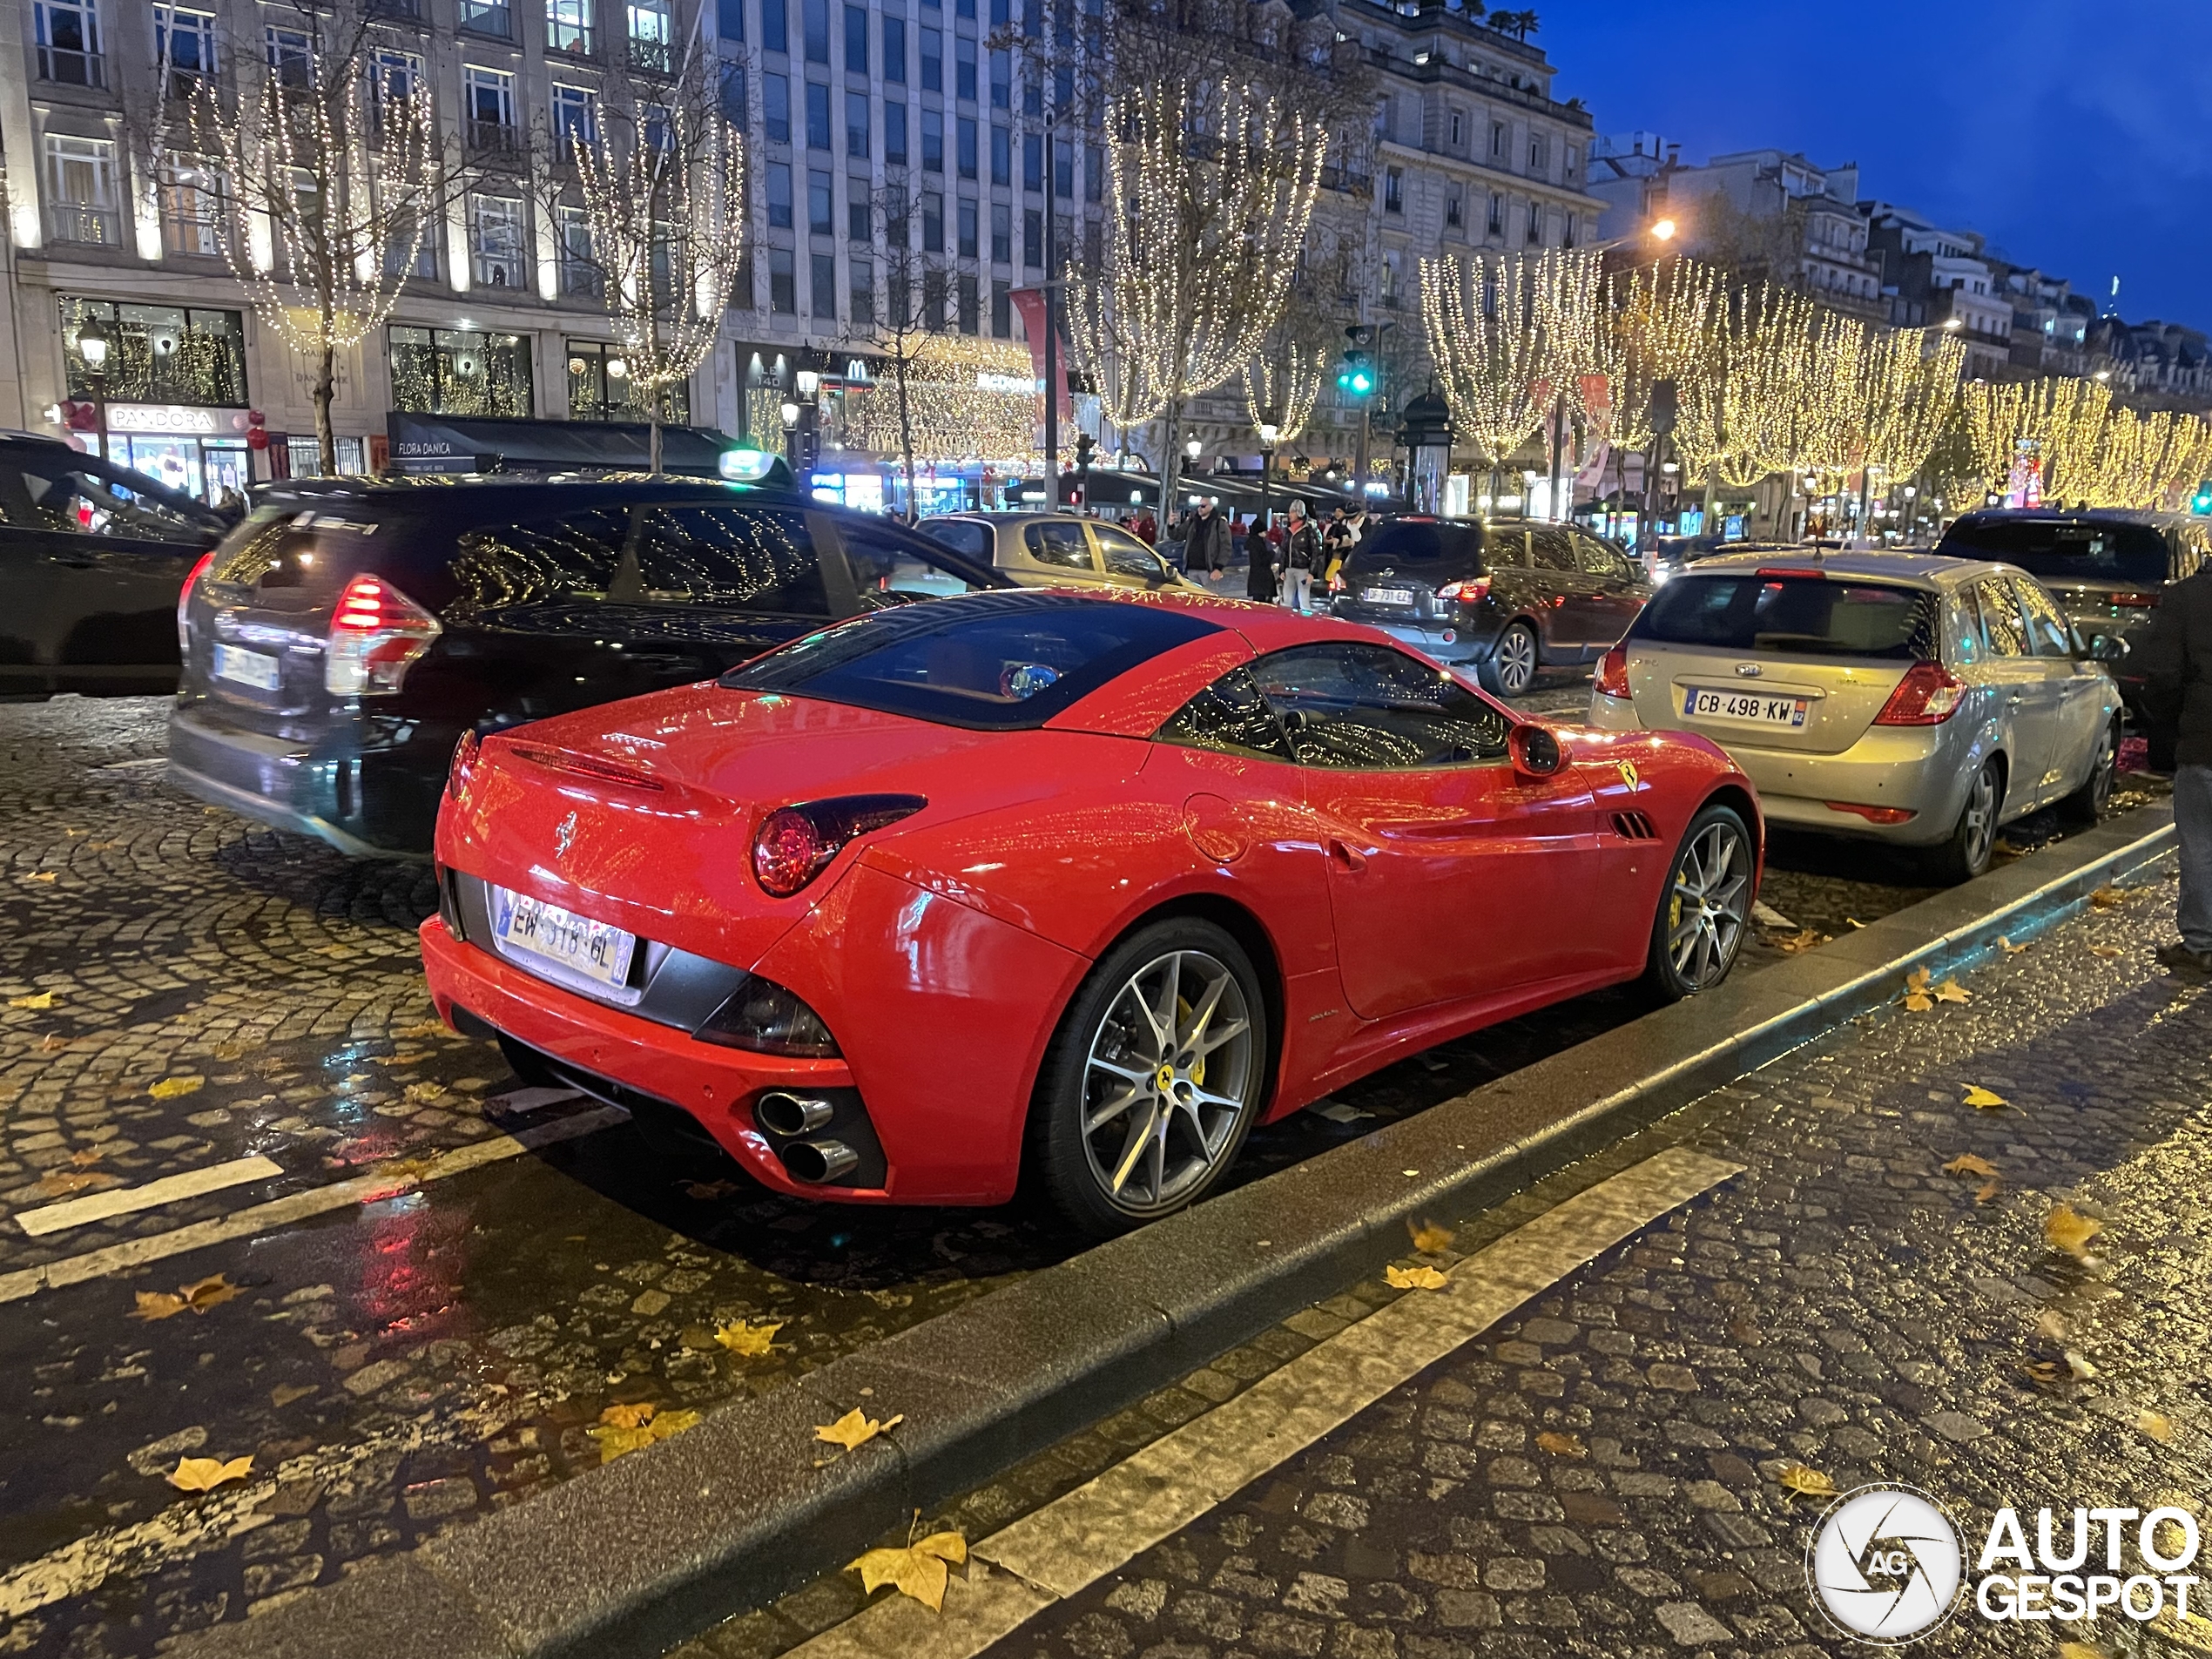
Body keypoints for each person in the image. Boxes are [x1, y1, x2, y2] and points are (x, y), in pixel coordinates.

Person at [2141, 560, 2212, 974]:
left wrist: (2166, 721)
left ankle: (2202, 943)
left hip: (2204, 741)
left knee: (2201, 842)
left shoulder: (2186, 598)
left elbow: (2164, 675)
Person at [1280, 502, 1322, 614]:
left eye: (1292, 512)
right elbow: (1284, 551)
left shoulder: (1309, 531)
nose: (1290, 515)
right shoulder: (1288, 531)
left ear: (1299, 513)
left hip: (1303, 570)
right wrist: (1282, 569)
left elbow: (1316, 552)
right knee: (1286, 601)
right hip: (1289, 569)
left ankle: (1306, 624)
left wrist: (1312, 572)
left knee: (1304, 600)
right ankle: (1286, 622)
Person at [1184, 496, 1231, 583]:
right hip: (1192, 568)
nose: (1199, 508)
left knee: (1208, 594)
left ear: (1211, 507)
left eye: (1203, 506)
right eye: (1198, 506)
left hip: (1208, 570)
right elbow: (1177, 535)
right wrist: (1171, 524)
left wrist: (1218, 567)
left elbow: (1226, 546)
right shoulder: (1193, 522)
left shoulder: (1219, 524)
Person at [1244, 515, 1276, 604]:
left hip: (1257, 579)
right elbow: (1261, 560)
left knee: (1259, 602)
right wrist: (1272, 553)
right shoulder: (1257, 543)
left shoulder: (1255, 542)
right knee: (1261, 604)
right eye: (1264, 531)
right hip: (1261, 579)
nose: (1266, 533)